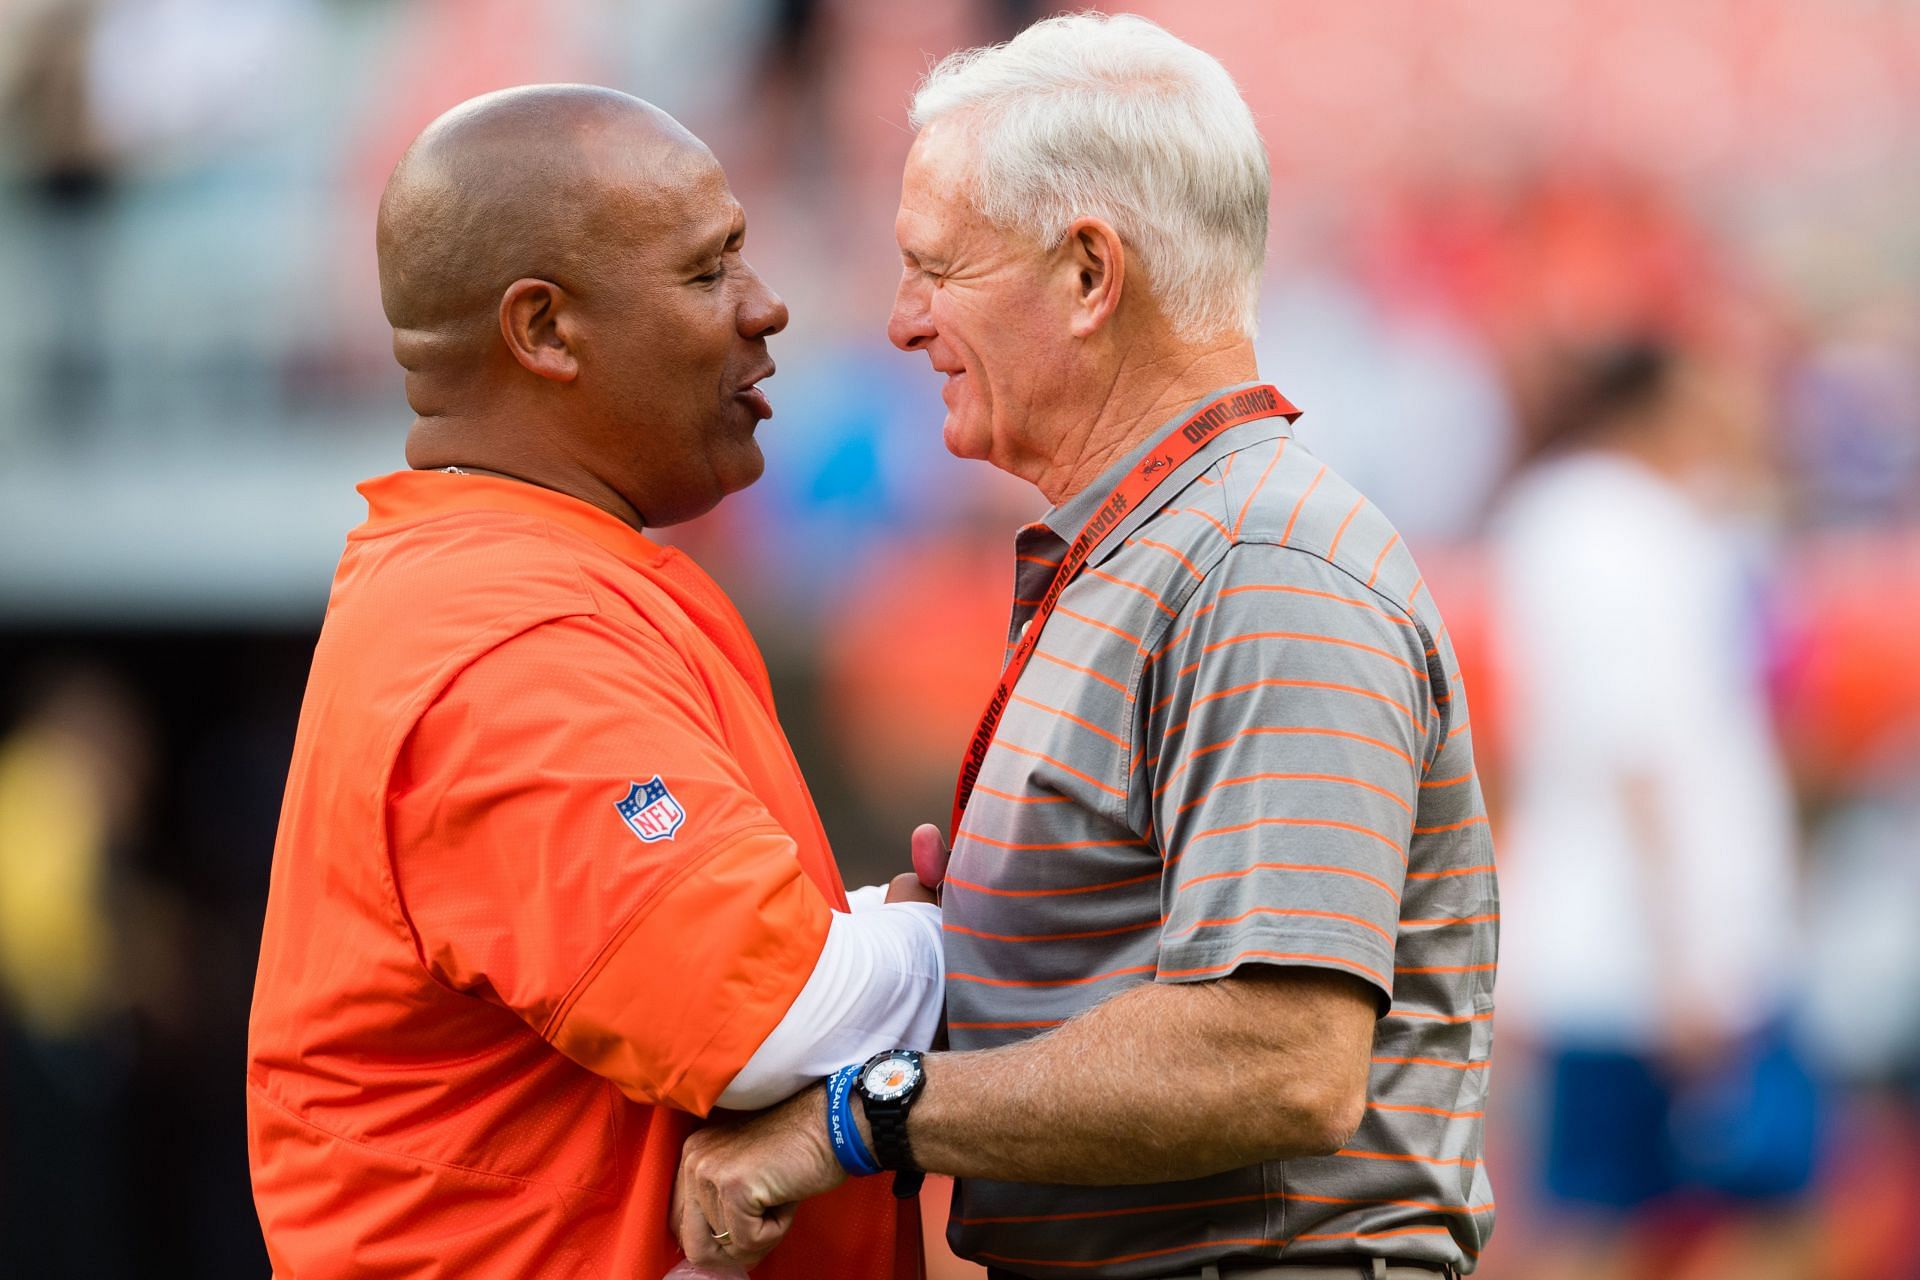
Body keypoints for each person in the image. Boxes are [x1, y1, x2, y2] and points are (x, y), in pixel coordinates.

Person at [672, 15, 1498, 1278]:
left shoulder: (1256, 562)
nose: (900, 322)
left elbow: (1280, 1058)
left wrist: (864, 1109)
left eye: (936, 267)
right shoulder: (1164, 544)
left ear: (1087, 276)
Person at [245, 85, 946, 1279]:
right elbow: (779, 1018)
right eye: (707, 270)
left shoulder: (514, 578)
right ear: (546, 331)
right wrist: (973, 929)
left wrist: (870, 938)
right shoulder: (504, 637)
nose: (766, 307)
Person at [1490, 343, 1819, 1280]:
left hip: (1655, 939)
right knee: (1636, 1213)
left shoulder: (1620, 519)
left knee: (1645, 1207)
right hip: (1651, 952)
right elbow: (1633, 746)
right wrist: (1685, 957)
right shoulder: (1610, 532)